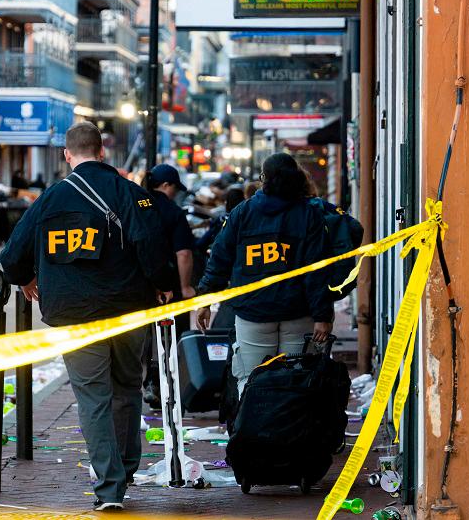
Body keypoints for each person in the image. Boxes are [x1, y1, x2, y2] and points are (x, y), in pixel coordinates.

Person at [0, 122, 175, 511]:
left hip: (75, 314)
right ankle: (127, 467)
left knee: (93, 397)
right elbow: (151, 246)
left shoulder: (49, 200)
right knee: (127, 387)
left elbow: (11, 256)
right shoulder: (132, 194)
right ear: (102, 151)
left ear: (67, 155)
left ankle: (110, 488)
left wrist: (26, 278)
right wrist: (164, 285)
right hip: (128, 309)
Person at [195, 153, 334, 394]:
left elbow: (220, 258)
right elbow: (317, 269)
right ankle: (289, 432)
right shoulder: (308, 214)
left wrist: (206, 299)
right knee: (295, 381)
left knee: (251, 381)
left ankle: (253, 429)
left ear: (264, 179)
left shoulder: (243, 212)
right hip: (297, 311)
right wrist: (322, 316)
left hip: (253, 311)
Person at [141, 164, 196, 407]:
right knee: (170, 335)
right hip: (169, 286)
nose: (175, 193)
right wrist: (186, 288)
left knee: (142, 335)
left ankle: (145, 382)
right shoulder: (174, 212)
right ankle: (167, 384)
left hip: (137, 285)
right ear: (166, 186)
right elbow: (183, 254)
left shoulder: (137, 205)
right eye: (174, 188)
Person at [196, 187, 245, 254]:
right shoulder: (248, 218)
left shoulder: (221, 220)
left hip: (223, 257)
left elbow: (202, 242)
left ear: (227, 202)